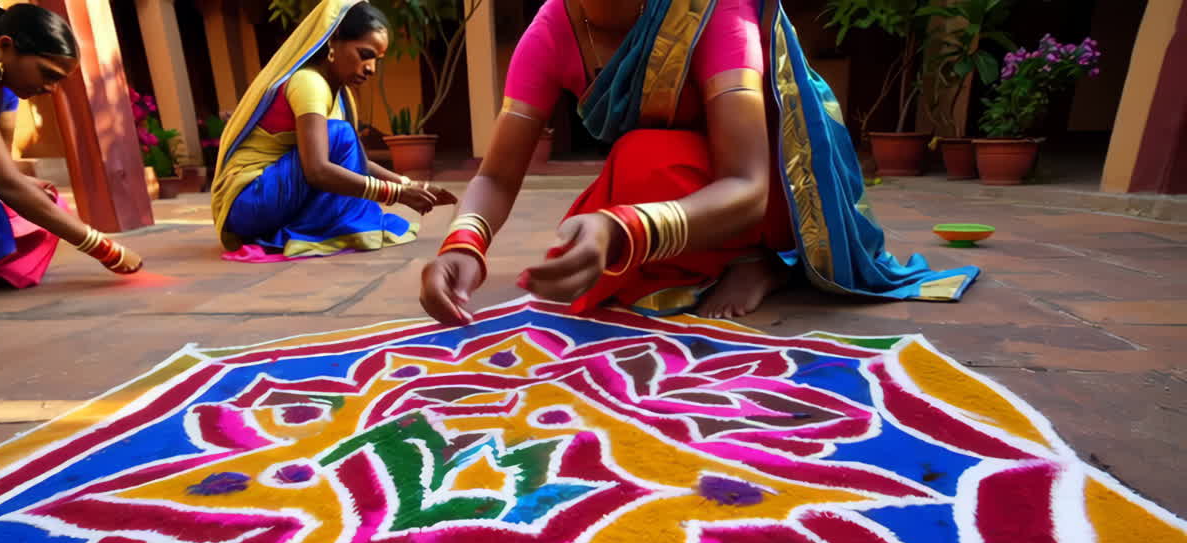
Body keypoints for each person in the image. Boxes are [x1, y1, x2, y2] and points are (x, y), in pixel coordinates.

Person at [419, 0, 980, 324]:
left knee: (630, 202)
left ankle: (764, 258)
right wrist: (463, 245)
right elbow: (494, 173)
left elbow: (749, 184)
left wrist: (625, 228)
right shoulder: (550, 28)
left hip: (768, 186)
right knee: (637, 166)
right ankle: (722, 258)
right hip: (672, 178)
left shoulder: (714, 11)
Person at [0, 3, 142, 299]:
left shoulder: (4, 84)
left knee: (47, 200)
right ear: (5, 47)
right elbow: (1, 180)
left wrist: (25, 184)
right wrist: (103, 248)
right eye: (47, 73)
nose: (51, 88)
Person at [211, 0, 456, 263]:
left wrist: (408, 185)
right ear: (333, 41)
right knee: (339, 134)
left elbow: (358, 162)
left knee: (340, 136)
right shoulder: (308, 82)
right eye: (364, 54)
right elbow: (317, 169)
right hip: (249, 203)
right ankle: (315, 229)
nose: (371, 68)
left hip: (263, 202)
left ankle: (310, 227)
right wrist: (393, 193)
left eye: (377, 60)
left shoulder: (335, 92)